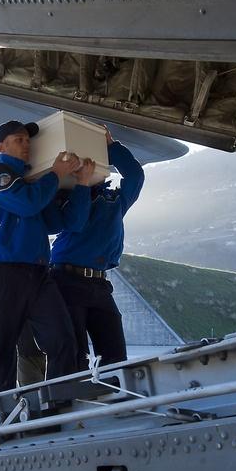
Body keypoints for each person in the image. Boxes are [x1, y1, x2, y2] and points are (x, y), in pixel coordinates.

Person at [0, 120, 97, 397]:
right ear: (0, 146)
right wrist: (54, 174)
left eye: (28, 141)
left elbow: (69, 223)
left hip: (39, 275)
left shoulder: (35, 187)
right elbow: (26, 203)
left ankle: (58, 405)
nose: (27, 145)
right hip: (4, 275)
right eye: (19, 140)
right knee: (0, 355)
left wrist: (82, 185)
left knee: (64, 342)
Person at [50, 127, 145, 369]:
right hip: (66, 280)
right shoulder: (66, 196)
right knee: (74, 355)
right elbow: (75, 222)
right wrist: (82, 184)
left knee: (115, 354)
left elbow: (135, 176)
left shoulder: (115, 200)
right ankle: (69, 403)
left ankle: (112, 399)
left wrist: (112, 147)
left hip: (99, 284)